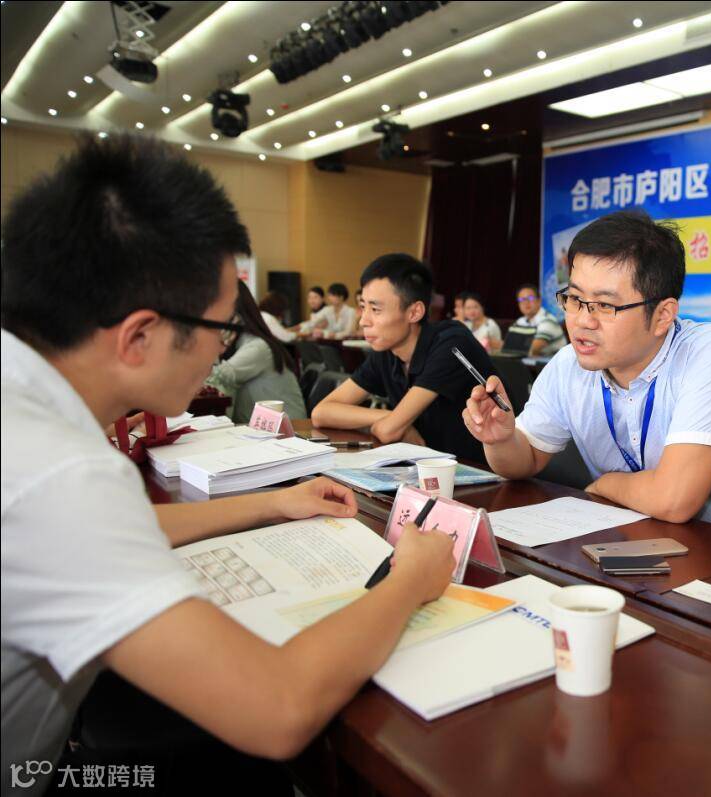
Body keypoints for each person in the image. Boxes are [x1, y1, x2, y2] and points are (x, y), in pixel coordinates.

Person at [0, 135, 455, 793]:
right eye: (220, 328)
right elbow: (277, 707)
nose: (221, 350)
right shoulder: (57, 473)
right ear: (139, 335)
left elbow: (102, 530)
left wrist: (272, 502)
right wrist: (410, 578)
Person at [462, 210, 711, 529]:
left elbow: (673, 499)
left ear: (662, 316)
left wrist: (606, 484)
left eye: (605, 305)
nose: (582, 321)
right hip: (620, 542)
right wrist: (500, 440)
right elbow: (526, 458)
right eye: (575, 298)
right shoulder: (569, 364)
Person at [312, 254, 498, 461]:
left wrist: (393, 422)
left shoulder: (452, 343)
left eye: (375, 309)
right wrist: (387, 416)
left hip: (483, 470)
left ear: (414, 312)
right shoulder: (386, 351)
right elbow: (321, 413)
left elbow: (388, 431)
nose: (363, 320)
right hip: (428, 467)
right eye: (363, 307)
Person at [207, 281, 307, 423]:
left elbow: (220, 376)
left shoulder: (258, 347)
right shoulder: (239, 342)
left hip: (286, 428)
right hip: (257, 426)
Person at [505, 283, 567, 356]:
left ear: (539, 301)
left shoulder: (548, 321)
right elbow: (508, 345)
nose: (526, 302)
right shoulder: (519, 322)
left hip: (554, 362)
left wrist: (503, 346)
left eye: (530, 298)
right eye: (522, 299)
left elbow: (532, 349)